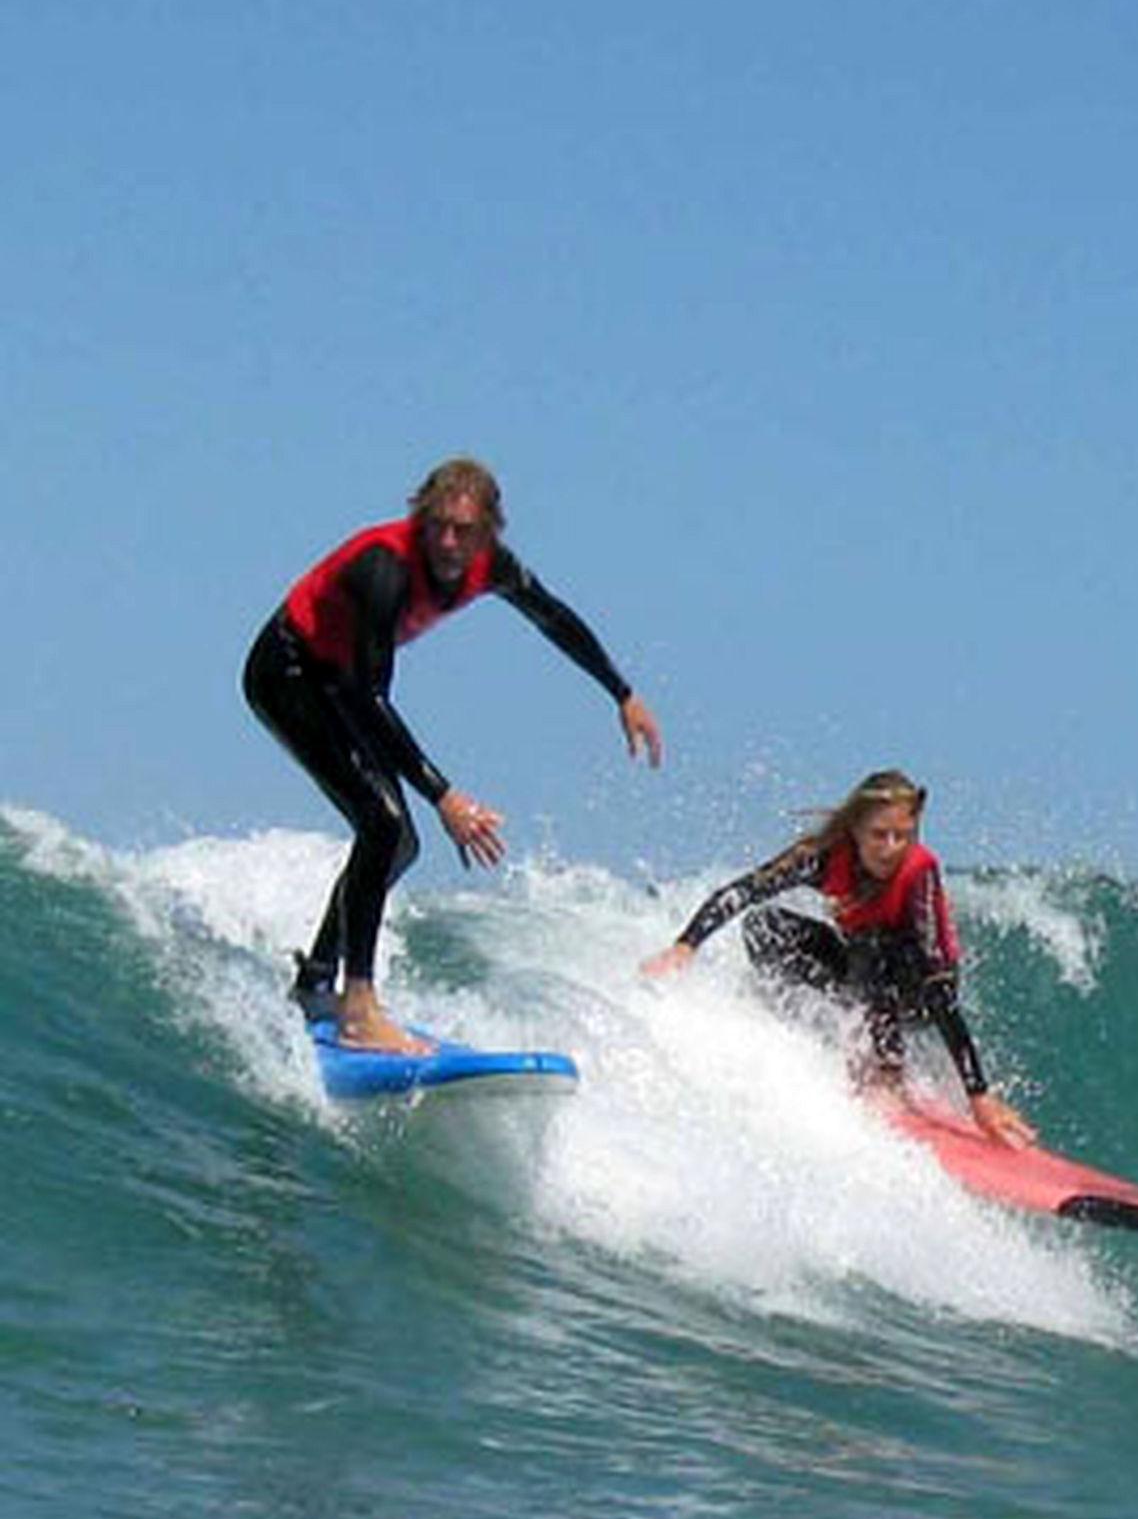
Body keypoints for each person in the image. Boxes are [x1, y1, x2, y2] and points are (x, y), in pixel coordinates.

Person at [243, 457, 664, 1053]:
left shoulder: (493, 566)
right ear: (421, 518)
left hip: (341, 682)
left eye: (462, 530)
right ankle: (359, 1007)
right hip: (288, 672)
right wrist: (445, 796)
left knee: (397, 842)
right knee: (384, 824)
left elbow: (553, 617)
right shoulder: (384, 567)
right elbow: (367, 697)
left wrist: (622, 693)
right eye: (436, 525)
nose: (446, 541)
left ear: (488, 531)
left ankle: (316, 982)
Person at [642, 770, 1036, 1147]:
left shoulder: (919, 872)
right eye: (879, 835)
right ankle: (844, 1035)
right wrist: (685, 946)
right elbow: (745, 891)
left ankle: (887, 1073)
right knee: (764, 925)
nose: (891, 847)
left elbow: (937, 986)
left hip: (921, 990)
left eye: (903, 835)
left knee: (876, 942)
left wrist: (978, 1096)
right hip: (864, 977)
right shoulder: (823, 858)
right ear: (855, 831)